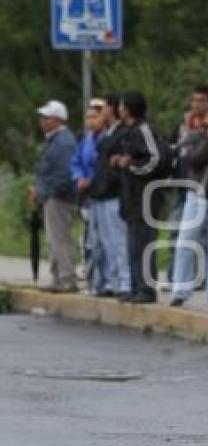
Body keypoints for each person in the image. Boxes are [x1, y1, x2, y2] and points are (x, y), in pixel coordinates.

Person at [170, 104, 208, 307]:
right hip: (197, 195)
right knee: (186, 241)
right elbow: (193, 161)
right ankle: (180, 289)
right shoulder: (195, 137)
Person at [113, 91, 166, 304]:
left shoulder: (144, 130)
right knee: (133, 245)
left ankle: (147, 289)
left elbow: (155, 159)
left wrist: (132, 166)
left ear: (129, 108)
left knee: (144, 243)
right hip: (131, 197)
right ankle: (136, 287)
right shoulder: (129, 131)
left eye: (122, 105)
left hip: (145, 196)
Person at [86, 94, 131, 299]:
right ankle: (112, 281)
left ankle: (125, 282)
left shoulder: (122, 133)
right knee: (105, 242)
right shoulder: (107, 135)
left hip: (114, 194)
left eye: (103, 108)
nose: (100, 112)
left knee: (118, 241)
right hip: (101, 194)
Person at [30, 100, 77, 292]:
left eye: (46, 117)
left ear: (58, 120)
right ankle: (57, 278)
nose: (42, 120)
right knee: (53, 239)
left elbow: (63, 173)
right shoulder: (54, 140)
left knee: (60, 238)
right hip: (50, 196)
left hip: (58, 197)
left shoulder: (63, 141)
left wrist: (48, 193)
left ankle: (66, 279)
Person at [70, 100, 108, 293]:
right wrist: (79, 178)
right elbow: (75, 161)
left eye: (94, 116)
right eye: (87, 117)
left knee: (101, 241)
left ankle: (103, 280)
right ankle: (92, 278)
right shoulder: (84, 140)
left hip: (101, 192)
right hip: (86, 196)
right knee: (88, 240)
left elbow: (102, 166)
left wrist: (91, 179)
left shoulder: (106, 139)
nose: (90, 121)